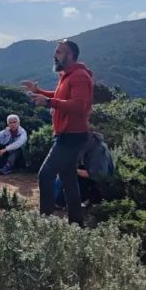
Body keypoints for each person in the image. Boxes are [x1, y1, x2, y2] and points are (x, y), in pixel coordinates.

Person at [23, 39, 94, 226]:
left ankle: (45, 223)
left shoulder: (79, 76)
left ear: (70, 55)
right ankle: (76, 222)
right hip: (68, 134)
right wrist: (39, 91)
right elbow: (59, 97)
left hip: (72, 136)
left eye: (59, 52)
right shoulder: (67, 75)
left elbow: (80, 106)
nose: (54, 55)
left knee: (45, 174)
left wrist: (48, 103)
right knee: (68, 178)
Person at [55, 132, 114, 208]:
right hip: (90, 176)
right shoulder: (86, 146)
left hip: (100, 184)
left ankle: (61, 202)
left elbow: (98, 175)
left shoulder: (97, 150)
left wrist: (74, 170)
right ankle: (57, 199)